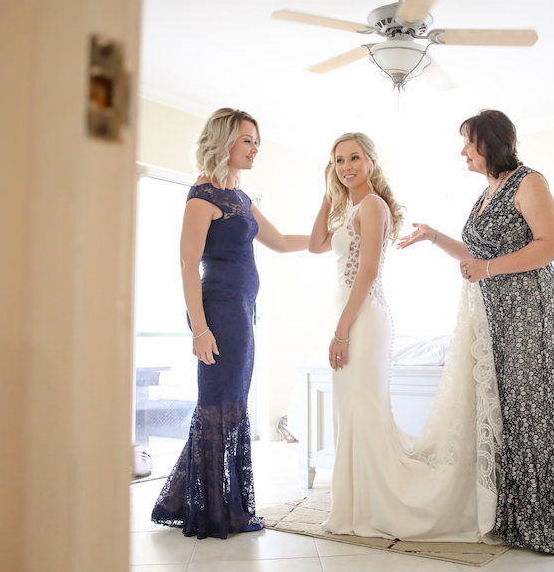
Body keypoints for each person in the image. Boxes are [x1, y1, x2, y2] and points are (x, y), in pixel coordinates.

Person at [397, 109, 554, 555]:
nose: (462, 151)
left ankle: (549, 520)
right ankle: (517, 515)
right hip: (495, 306)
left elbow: (553, 244)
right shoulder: (488, 192)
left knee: (531, 402)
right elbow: (475, 254)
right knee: (506, 404)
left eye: (468, 141)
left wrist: (487, 268)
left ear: (490, 142)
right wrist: (433, 237)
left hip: (529, 301)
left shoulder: (529, 181)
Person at [309, 132, 500, 542]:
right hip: (351, 317)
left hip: (362, 320)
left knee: (363, 409)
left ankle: (378, 505)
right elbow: (315, 244)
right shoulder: (348, 208)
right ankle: (355, 505)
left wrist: (341, 331)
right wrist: (328, 190)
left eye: (355, 158)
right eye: (339, 161)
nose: (347, 167)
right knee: (352, 411)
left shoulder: (373, 205)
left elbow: (368, 271)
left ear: (371, 163)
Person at [151, 108, 308, 539]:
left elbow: (278, 242)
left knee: (231, 406)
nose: (255, 148)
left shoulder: (239, 196)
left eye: (257, 141)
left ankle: (210, 503)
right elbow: (187, 264)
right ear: (224, 142)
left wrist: (330, 235)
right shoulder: (203, 196)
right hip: (218, 313)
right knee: (218, 406)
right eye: (247, 140)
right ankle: (215, 511)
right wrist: (199, 330)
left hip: (242, 313)